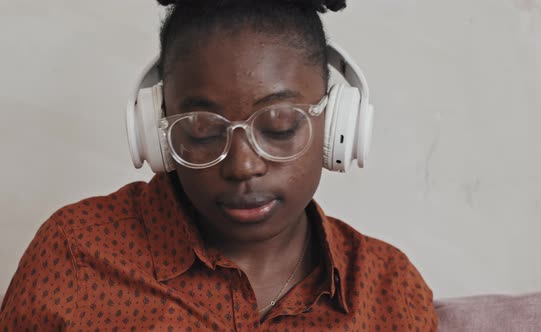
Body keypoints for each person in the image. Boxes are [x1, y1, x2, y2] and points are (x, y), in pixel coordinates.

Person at [0, 0, 437, 330]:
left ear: (339, 123)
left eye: (281, 126)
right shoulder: (77, 254)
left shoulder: (388, 290)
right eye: (203, 131)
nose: (243, 166)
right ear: (157, 131)